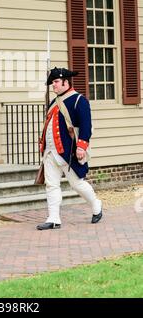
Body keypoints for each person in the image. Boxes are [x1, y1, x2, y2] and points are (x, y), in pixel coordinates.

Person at [36, 67, 102, 231]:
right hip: (50, 151)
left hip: (68, 151)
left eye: (57, 82)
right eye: (53, 82)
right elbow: (48, 125)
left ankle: (96, 205)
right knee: (51, 185)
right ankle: (53, 219)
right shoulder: (54, 102)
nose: (54, 85)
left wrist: (81, 146)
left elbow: (86, 126)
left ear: (66, 82)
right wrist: (43, 142)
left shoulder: (79, 100)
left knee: (77, 184)